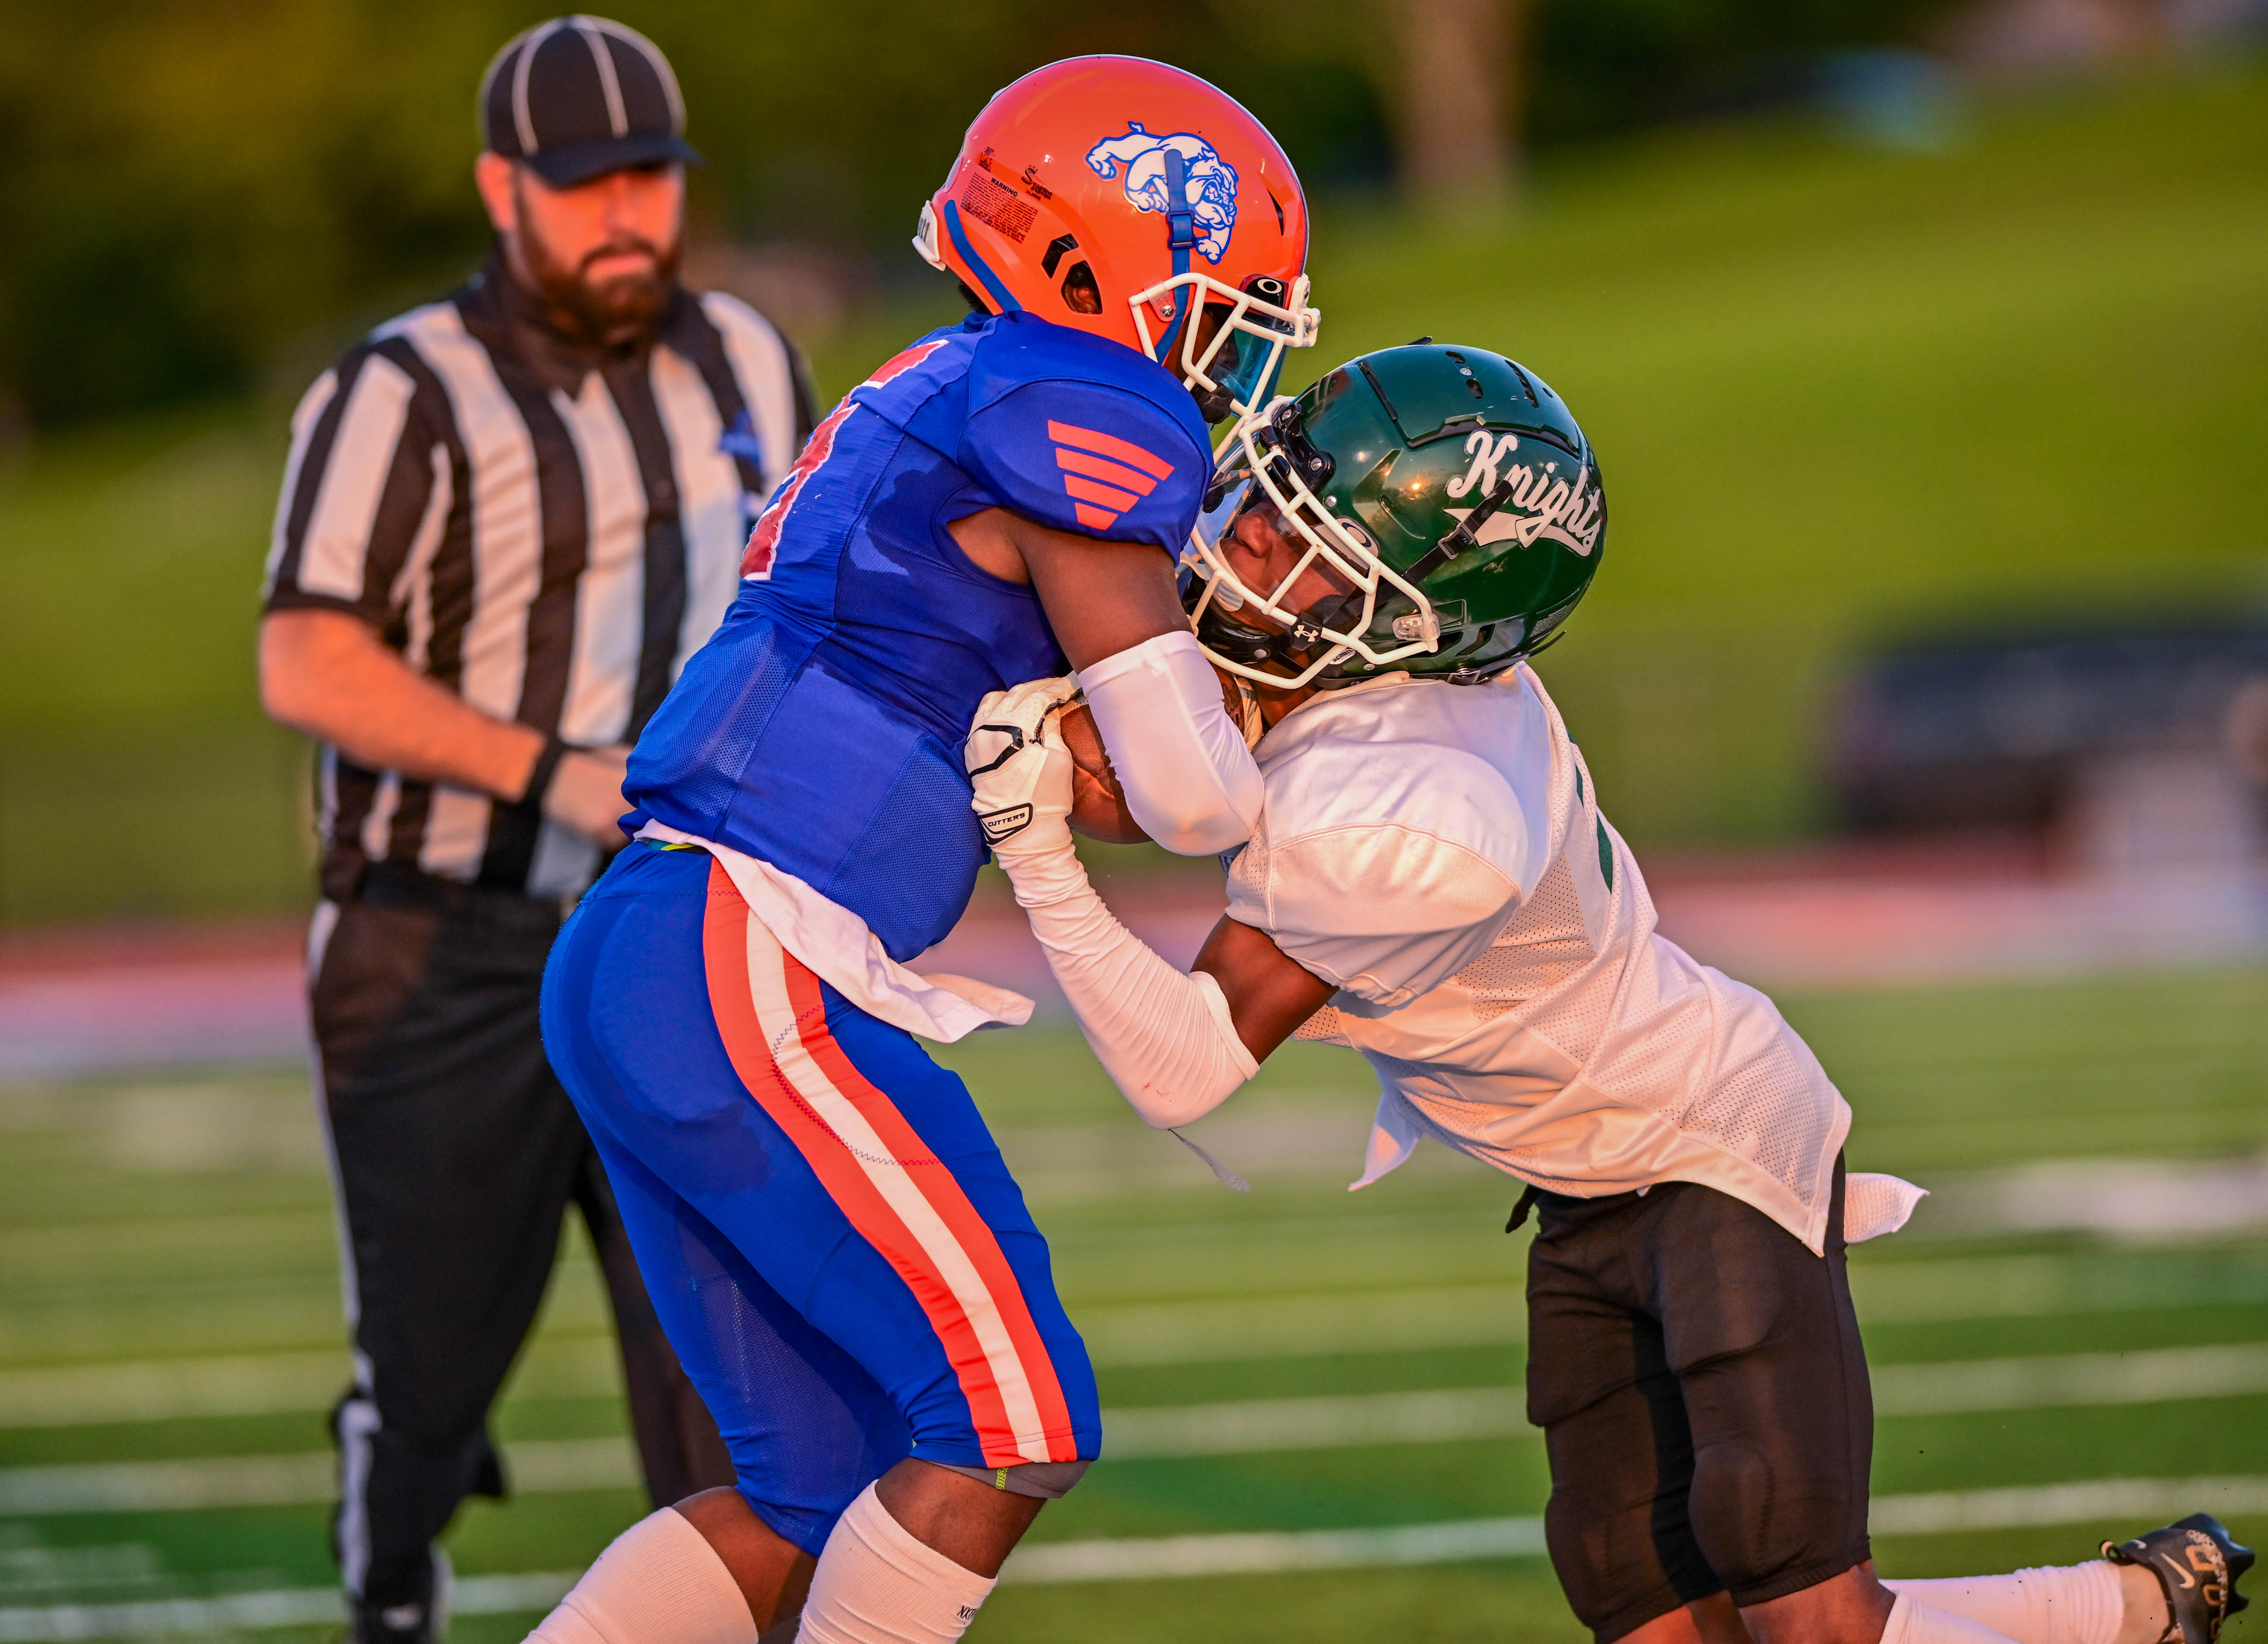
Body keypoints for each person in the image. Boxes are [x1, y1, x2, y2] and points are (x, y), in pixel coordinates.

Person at [963, 342, 2255, 1644]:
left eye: (1295, 549)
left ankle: (2133, 1615)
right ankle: (2139, 1606)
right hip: (1584, 1187)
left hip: (1708, 1144)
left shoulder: (1425, 815)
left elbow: (1181, 1066)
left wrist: (1038, 854)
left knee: (1806, 1617)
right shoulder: (1382, 684)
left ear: (1420, 615)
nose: (1234, 551)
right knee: (1647, 1611)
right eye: (1260, 506)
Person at [522, 55, 1322, 1644]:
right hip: (746, 949)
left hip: (655, 942)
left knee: (808, 1504)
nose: (1225, 342)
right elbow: (1192, 796)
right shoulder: (1071, 398)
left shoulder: (948, 378)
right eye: (1221, 298)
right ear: (1096, 252)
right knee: (1011, 1417)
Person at [258, 18, 814, 1641]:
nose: (625, 212)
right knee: (432, 1366)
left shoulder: (751, 360)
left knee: (725, 1358)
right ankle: (395, 1570)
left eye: (649, 176)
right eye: (585, 185)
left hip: (677, 933)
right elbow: (307, 654)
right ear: (505, 187)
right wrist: (560, 770)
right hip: (445, 937)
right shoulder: (399, 388)